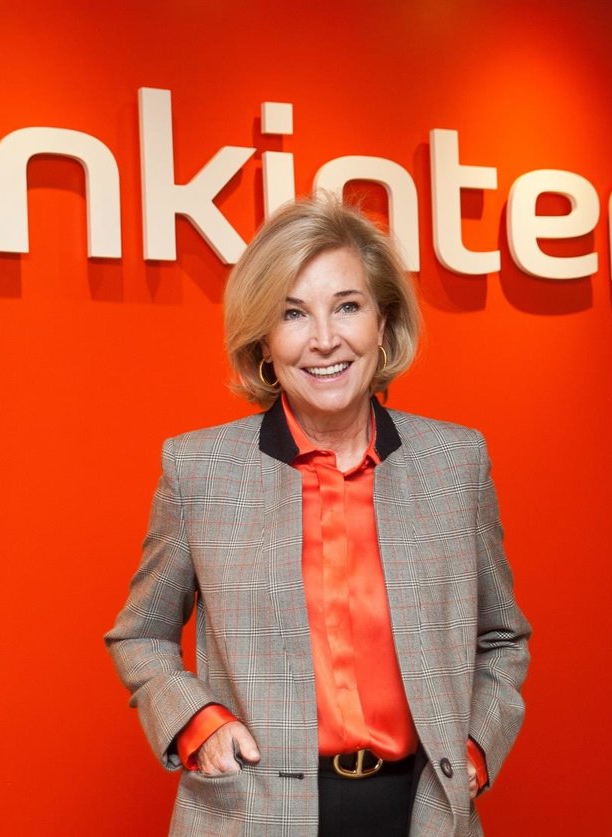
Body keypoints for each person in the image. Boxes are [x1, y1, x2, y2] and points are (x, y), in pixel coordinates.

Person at [106, 194, 530, 837]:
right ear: (264, 340)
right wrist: (197, 721)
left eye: (348, 307)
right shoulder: (199, 471)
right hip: (254, 816)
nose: (325, 339)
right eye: (293, 313)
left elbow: (503, 639)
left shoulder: (455, 464)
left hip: (422, 814)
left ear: (383, 323)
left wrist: (473, 747)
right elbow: (140, 635)